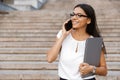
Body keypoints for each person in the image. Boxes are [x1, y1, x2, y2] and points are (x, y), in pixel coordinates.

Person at [47, 4, 107, 80]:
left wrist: (92, 69)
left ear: (88, 20)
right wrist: (63, 36)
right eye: (73, 14)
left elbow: (104, 70)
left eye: (79, 15)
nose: (74, 18)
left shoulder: (93, 41)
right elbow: (50, 59)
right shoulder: (63, 35)